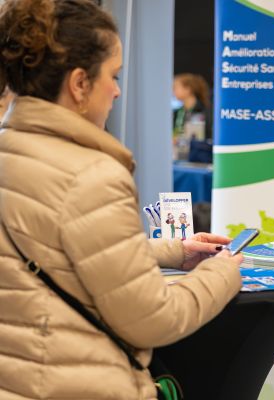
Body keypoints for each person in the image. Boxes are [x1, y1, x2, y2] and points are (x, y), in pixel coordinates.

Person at [0, 1, 243, 399]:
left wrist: (175, 251)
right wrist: (223, 273)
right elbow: (154, 319)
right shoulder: (91, 175)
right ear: (80, 83)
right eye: (113, 75)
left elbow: (57, 250)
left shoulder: (11, 150)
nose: (116, 90)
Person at [173, 73, 212, 140]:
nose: (173, 91)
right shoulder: (177, 112)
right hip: (179, 146)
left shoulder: (205, 110)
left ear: (188, 89)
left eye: (175, 88)